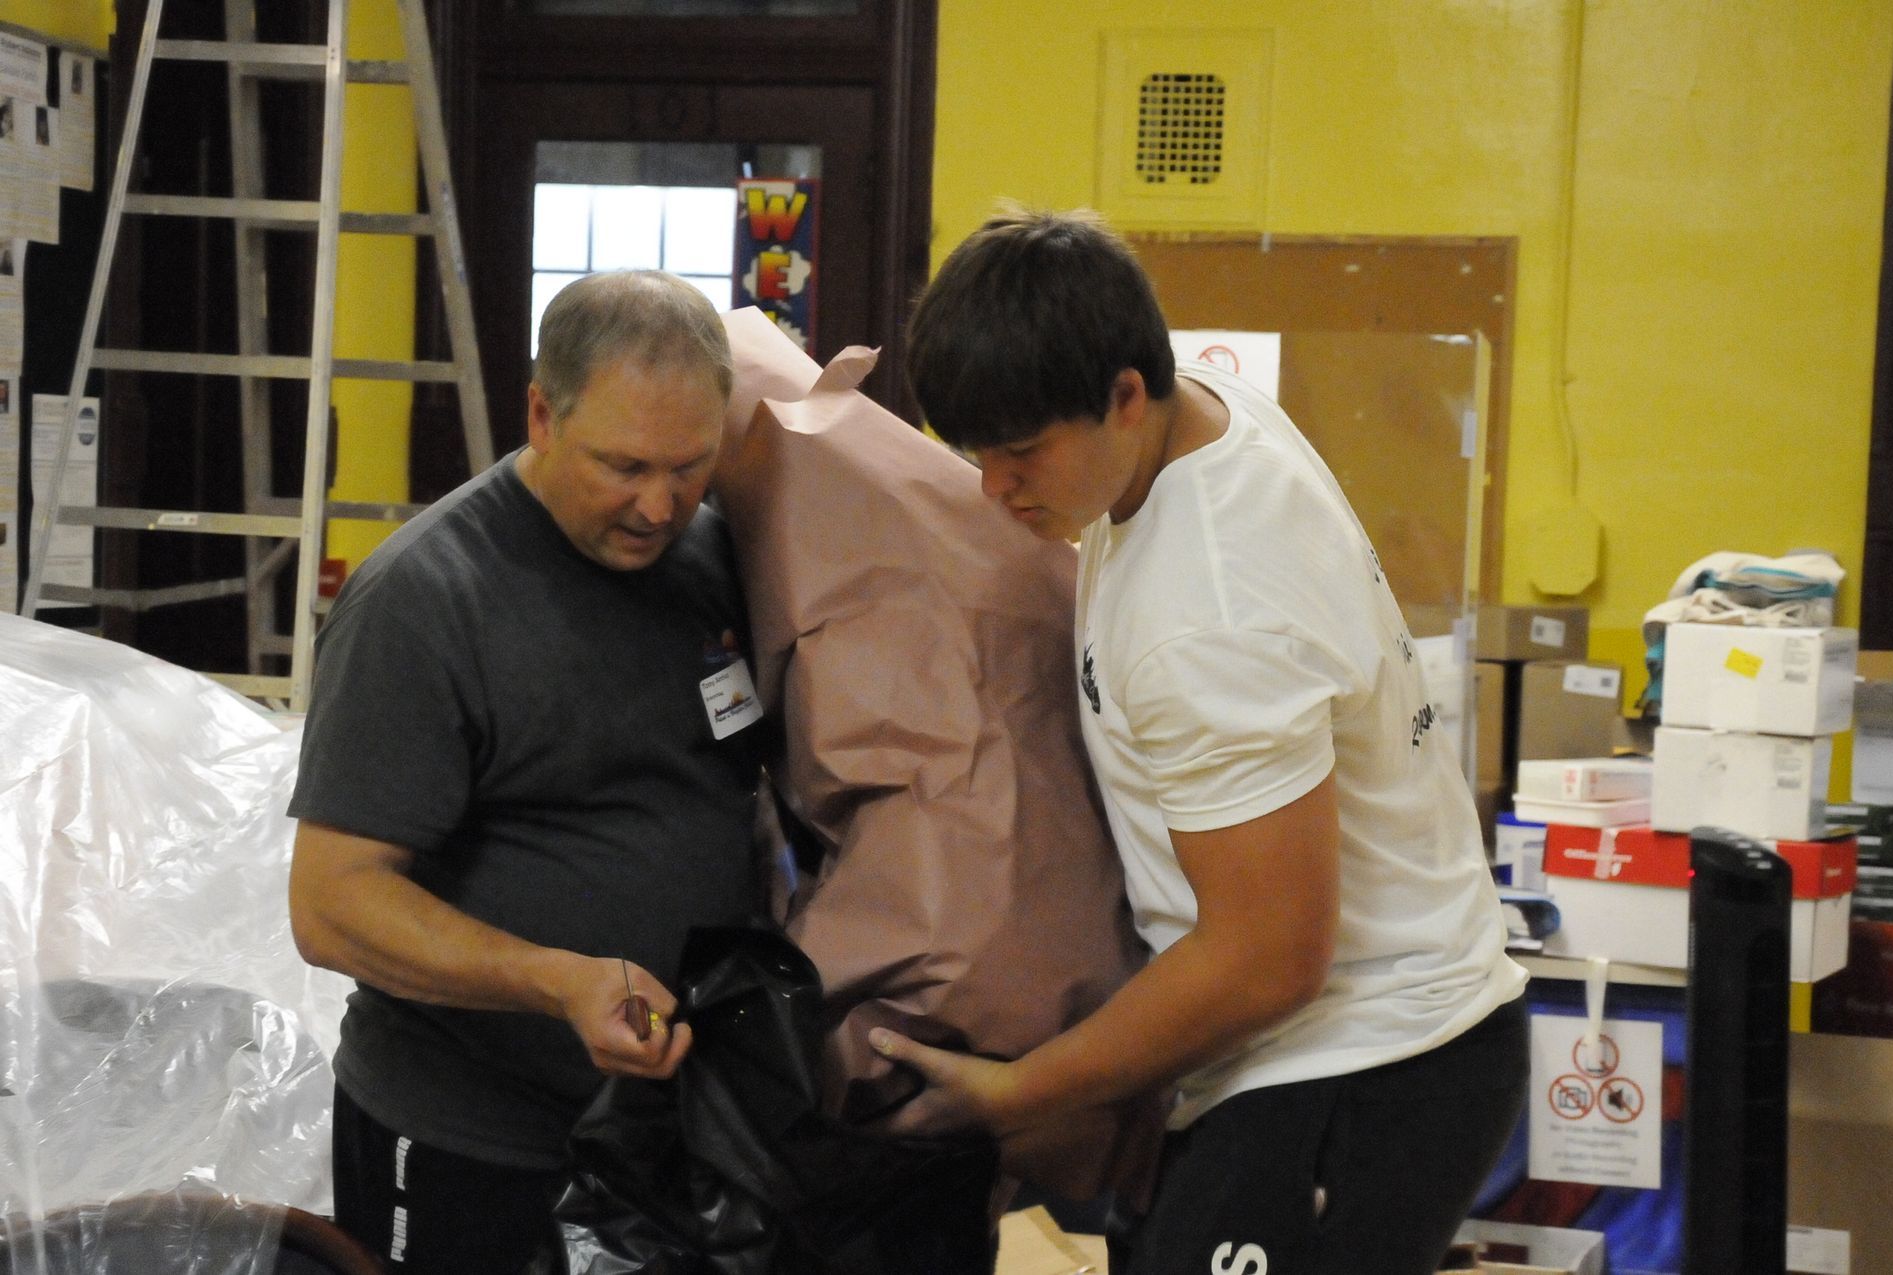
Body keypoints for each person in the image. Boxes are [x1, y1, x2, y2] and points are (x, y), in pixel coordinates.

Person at [873, 207, 1530, 1275]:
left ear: (1127, 396)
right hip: (1317, 1045)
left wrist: (1028, 1087)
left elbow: (1270, 958)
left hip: (1362, 1062)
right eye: (974, 456)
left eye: (1022, 453)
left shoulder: (1209, 611)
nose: (995, 490)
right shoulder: (1209, 418)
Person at [288, 270, 767, 1274]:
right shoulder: (423, 601)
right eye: (625, 465)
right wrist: (559, 984)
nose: (658, 504)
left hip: (662, 1135)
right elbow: (331, 906)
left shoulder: (714, 555)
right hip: (468, 1137)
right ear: (543, 416)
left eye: (689, 466)